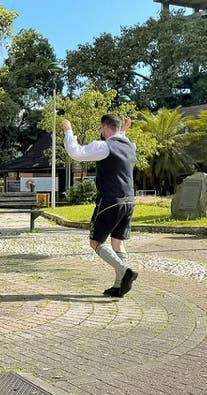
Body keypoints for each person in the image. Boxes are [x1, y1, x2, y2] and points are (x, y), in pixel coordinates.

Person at [61, 114, 138, 298]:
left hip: (110, 201)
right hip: (129, 200)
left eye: (101, 129)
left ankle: (124, 270)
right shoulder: (130, 147)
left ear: (104, 128)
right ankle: (120, 285)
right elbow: (121, 140)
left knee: (95, 242)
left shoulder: (104, 146)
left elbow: (76, 153)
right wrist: (123, 131)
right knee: (117, 242)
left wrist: (68, 130)